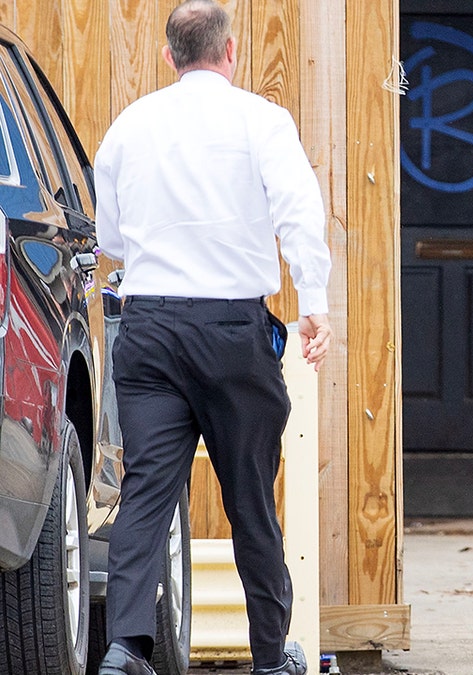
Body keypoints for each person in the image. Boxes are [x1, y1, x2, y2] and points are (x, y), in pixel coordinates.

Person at [93, 1, 332, 673]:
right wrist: (313, 302)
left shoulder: (130, 126)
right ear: (231, 53)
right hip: (231, 328)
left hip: (149, 326)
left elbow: (110, 238)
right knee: (250, 494)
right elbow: (298, 214)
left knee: (145, 492)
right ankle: (267, 656)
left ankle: (125, 646)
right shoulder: (262, 120)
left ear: (170, 57)